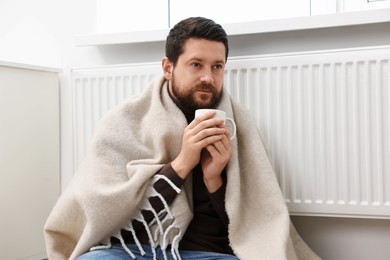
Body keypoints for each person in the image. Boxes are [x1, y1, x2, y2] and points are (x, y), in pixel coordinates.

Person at [44, 17, 320, 260]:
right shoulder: (125, 121)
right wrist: (182, 165)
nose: (207, 78)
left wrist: (214, 180)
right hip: (132, 250)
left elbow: (249, 227)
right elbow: (108, 216)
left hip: (208, 252)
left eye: (217, 67)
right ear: (168, 67)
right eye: (196, 65)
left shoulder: (239, 125)